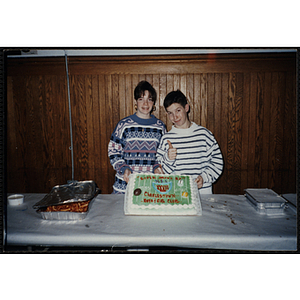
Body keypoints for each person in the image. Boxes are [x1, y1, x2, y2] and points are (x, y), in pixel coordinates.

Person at [156, 90, 223, 194]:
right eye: (170, 113)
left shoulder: (204, 135)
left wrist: (204, 178)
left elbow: (217, 163)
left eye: (178, 110)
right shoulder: (166, 139)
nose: (175, 116)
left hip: (202, 194)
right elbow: (160, 172)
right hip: (176, 195)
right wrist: (168, 159)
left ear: (186, 108)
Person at [108, 81, 166, 194]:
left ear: (153, 102)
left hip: (150, 186)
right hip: (125, 186)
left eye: (149, 99)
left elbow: (162, 154)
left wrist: (157, 167)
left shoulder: (160, 126)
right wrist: (124, 168)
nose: (145, 103)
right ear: (135, 101)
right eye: (141, 99)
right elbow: (113, 151)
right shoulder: (124, 125)